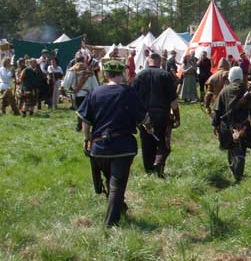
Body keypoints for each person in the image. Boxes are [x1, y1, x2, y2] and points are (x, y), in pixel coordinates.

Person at [77, 58, 147, 227]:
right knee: (116, 184)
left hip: (99, 146)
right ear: (122, 74)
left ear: (106, 74)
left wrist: (87, 139)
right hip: (123, 146)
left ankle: (120, 209)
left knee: (111, 182)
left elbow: (85, 121)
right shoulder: (129, 92)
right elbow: (143, 118)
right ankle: (111, 224)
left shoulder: (95, 93)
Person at [131, 53, 180, 177]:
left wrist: (135, 117)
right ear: (160, 62)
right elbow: (173, 101)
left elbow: (132, 99)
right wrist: (177, 117)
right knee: (162, 142)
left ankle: (149, 169)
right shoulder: (165, 75)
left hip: (144, 116)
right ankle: (158, 163)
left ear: (148, 61)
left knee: (146, 142)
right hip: (162, 115)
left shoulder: (139, 75)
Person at [212, 66, 251, 182]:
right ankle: (238, 173)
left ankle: (237, 173)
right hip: (243, 125)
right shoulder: (247, 90)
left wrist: (215, 124)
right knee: (241, 149)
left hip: (227, 125)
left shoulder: (225, 90)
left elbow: (217, 110)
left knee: (231, 148)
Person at [63, 56, 99, 126]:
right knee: (87, 111)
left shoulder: (72, 70)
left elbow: (66, 84)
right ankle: (87, 125)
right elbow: (95, 85)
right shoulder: (89, 71)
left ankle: (79, 125)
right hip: (88, 93)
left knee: (79, 111)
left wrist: (68, 91)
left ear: (75, 60)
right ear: (84, 60)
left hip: (78, 94)